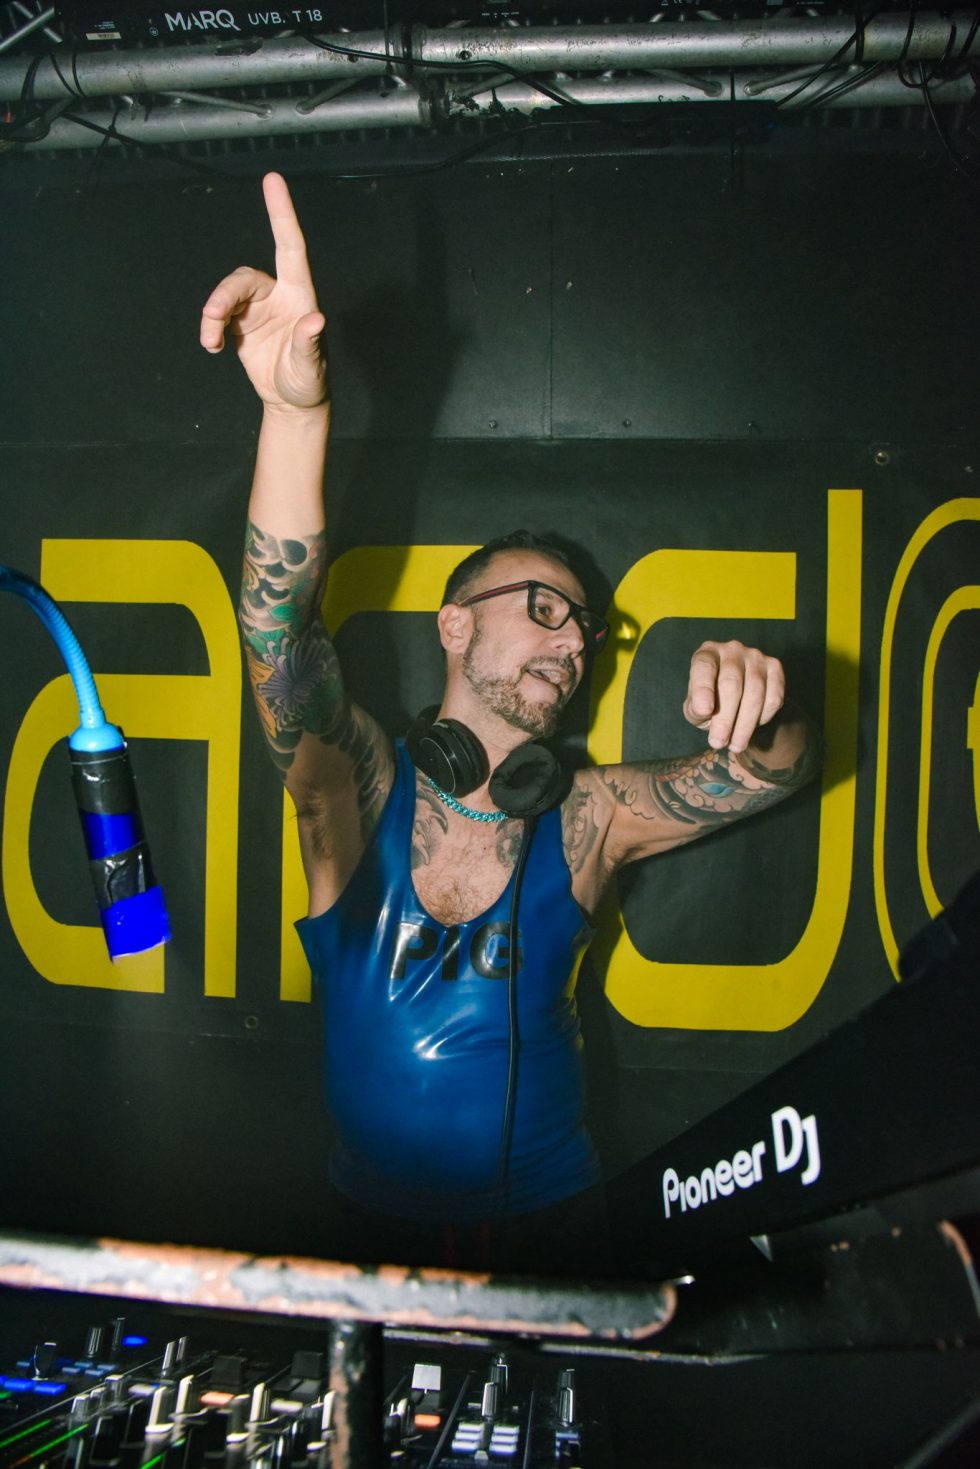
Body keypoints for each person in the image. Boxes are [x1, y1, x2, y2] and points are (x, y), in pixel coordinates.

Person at [200, 174, 820, 1274]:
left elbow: (775, 769)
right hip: (361, 1240)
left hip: (555, 1233)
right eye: (540, 607)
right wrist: (295, 419)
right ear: (453, 625)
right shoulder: (354, 790)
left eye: (582, 628)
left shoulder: (588, 816)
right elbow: (277, 638)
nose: (569, 642)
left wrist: (762, 708)